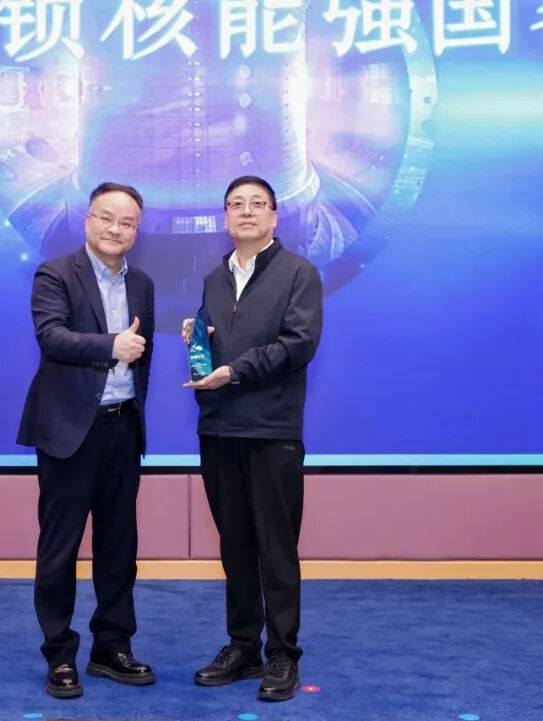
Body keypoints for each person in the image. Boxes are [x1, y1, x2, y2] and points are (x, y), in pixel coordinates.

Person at [182, 175, 322, 702]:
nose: (246, 211)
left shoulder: (298, 273)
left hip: (272, 431)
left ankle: (283, 653)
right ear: (225, 217)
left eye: (257, 204)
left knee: (276, 548)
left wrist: (235, 370)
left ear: (274, 216)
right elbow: (218, 342)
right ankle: (243, 647)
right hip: (219, 429)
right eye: (236, 204)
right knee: (235, 546)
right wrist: (198, 338)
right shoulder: (214, 278)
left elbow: (298, 343)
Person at [18, 181, 156, 699]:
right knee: (61, 547)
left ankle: (111, 647)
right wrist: (111, 345)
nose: (116, 229)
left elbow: (143, 355)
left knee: (120, 546)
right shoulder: (55, 273)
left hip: (123, 428)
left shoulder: (142, 283)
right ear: (87, 220)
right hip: (69, 432)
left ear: (137, 231)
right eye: (107, 218)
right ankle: (59, 653)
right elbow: (51, 337)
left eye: (127, 222)